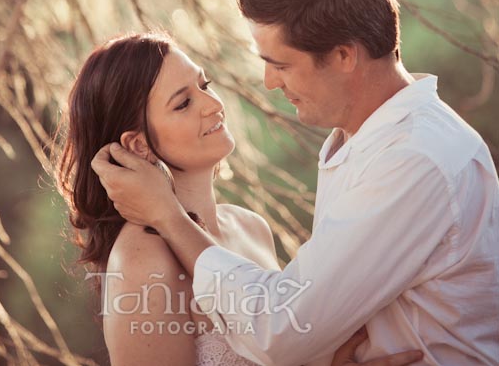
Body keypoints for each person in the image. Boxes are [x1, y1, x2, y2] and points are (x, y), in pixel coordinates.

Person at [92, 0, 499, 366]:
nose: (269, 83)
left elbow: (281, 330)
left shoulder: (413, 158)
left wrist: (168, 217)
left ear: (344, 56)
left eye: (281, 64)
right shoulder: (364, 142)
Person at [55, 31, 423, 366]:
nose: (213, 104)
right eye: (183, 103)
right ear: (138, 145)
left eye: (205, 84)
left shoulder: (250, 227)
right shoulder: (141, 256)